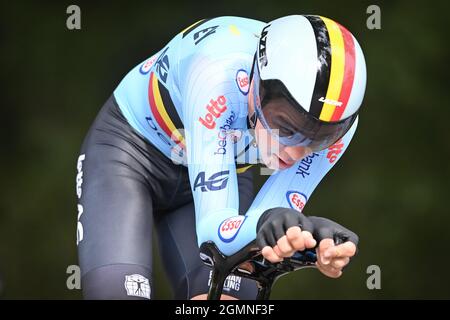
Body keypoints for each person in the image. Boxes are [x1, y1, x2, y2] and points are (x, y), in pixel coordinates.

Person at [75, 15, 366, 300]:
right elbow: (216, 234)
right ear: (256, 87)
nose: (296, 151)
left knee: (231, 295)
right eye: (286, 127)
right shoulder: (215, 76)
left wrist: (307, 238)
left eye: (318, 139)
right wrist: (270, 223)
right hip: (131, 154)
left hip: (220, 166)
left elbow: (263, 231)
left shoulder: (340, 126)